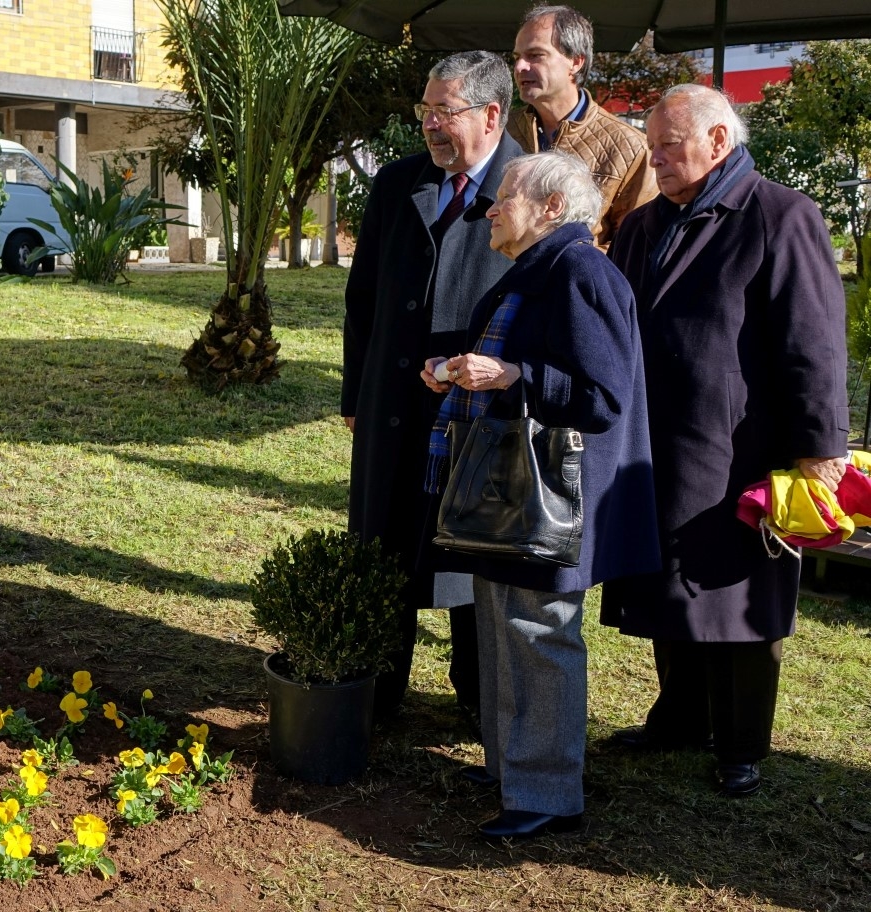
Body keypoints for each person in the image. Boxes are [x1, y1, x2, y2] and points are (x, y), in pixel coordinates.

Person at [602, 84, 849, 798]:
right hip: (655, 438)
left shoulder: (781, 215)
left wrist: (819, 445)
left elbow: (815, 343)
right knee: (667, 581)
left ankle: (741, 741)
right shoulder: (645, 223)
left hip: (742, 442)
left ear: (718, 141)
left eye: (669, 145)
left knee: (738, 593)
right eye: (651, 145)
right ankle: (678, 717)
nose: (656, 158)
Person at [422, 151, 658, 839]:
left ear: (553, 207)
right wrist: (460, 370)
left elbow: (604, 395)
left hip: (550, 497)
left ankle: (550, 796)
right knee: (504, 627)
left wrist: (511, 376)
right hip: (514, 495)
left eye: (505, 198)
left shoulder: (581, 271)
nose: (490, 208)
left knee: (540, 635)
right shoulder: (538, 269)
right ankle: (511, 767)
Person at [343, 50, 523, 723]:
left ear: (491, 114)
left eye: (443, 112)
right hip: (391, 410)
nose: (429, 125)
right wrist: (356, 398)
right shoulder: (397, 184)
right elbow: (363, 302)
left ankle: (480, 699)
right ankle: (377, 688)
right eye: (425, 111)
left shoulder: (527, 188)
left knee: (470, 561)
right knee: (385, 545)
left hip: (480, 414)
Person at [508, 5, 656, 247]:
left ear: (576, 62)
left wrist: (574, 272)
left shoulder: (630, 148)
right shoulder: (501, 132)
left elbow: (634, 248)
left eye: (535, 55)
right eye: (517, 57)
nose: (520, 67)